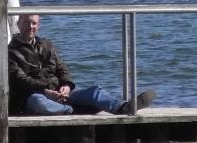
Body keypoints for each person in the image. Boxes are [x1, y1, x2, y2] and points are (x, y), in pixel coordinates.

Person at [8, 13, 156, 115]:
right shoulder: (10, 51)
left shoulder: (47, 45)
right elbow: (20, 79)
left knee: (94, 91)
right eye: (26, 22)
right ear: (18, 24)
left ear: (38, 25)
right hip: (34, 96)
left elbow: (62, 68)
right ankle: (70, 110)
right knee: (37, 101)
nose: (30, 26)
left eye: (34, 23)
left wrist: (66, 86)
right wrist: (45, 91)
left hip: (59, 93)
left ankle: (123, 107)